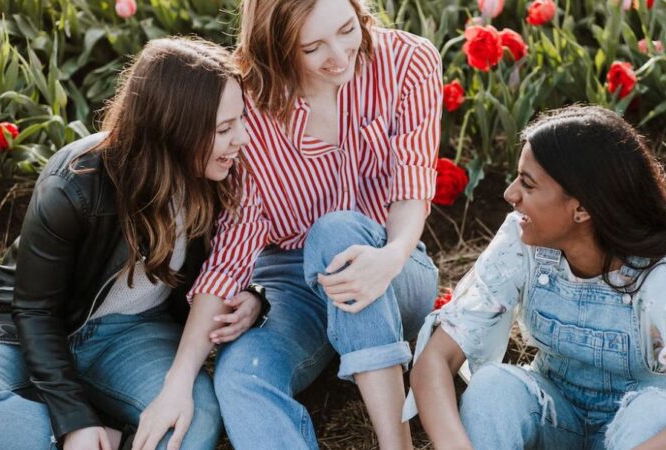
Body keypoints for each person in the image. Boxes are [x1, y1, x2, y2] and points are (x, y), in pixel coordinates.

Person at [135, 0, 442, 448]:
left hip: (392, 264)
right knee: (241, 376)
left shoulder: (409, 61)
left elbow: (412, 185)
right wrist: (178, 383)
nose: (339, 56)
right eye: (312, 46)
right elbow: (232, 255)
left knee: (335, 232)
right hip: (292, 283)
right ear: (274, 48)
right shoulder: (250, 109)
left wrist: (390, 256)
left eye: (346, 29)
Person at [407, 105, 666, 450]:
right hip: (555, 416)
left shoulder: (665, 277)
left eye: (527, 183)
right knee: (493, 386)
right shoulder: (522, 244)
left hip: (638, 436)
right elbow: (434, 361)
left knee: (655, 408)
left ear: (582, 208)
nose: (510, 194)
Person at [0, 36, 251, 450]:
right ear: (173, 129)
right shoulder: (74, 184)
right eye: (225, 128)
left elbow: (249, 252)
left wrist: (255, 296)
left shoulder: (222, 177)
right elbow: (34, 310)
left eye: (241, 120)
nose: (242, 138)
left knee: (193, 423)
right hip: (23, 328)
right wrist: (72, 423)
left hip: (131, 335)